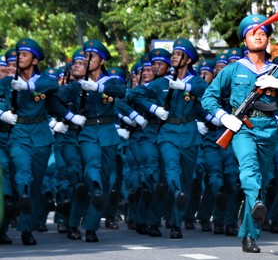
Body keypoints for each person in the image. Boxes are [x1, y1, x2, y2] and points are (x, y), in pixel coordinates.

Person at [202, 14, 278, 253]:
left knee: (261, 181)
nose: (259, 36)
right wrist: (224, 117)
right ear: (245, 40)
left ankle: (250, 234)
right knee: (249, 171)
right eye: (253, 33)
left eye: (263, 33)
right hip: (242, 128)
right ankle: (256, 207)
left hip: (268, 129)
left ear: (268, 40)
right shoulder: (233, 70)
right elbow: (208, 98)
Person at [129, 38, 207, 239]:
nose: (173, 56)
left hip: (189, 131)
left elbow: (205, 92)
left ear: (188, 60)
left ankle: (175, 223)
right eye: (173, 53)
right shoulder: (162, 82)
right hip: (168, 132)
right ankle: (156, 217)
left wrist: (184, 88)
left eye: (179, 54)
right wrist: (154, 108)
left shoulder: (195, 81)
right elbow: (135, 95)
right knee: (171, 172)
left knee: (186, 181)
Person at [53, 39, 127, 242]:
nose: (86, 60)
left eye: (91, 57)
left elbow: (121, 92)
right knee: (91, 173)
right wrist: (69, 116)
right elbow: (53, 97)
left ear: (101, 61)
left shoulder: (110, 81)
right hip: (87, 132)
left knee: (102, 184)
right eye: (85, 56)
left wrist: (96, 88)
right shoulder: (76, 86)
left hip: (108, 133)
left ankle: (91, 227)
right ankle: (73, 222)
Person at [0, 38, 64, 245]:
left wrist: (27, 86)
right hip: (19, 133)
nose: (20, 58)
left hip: (41, 136)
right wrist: (2, 113)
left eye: (24, 55)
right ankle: (18, 216)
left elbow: (52, 85)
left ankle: (27, 228)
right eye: (19, 55)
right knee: (23, 177)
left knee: (34, 184)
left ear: (35, 60)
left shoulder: (45, 80)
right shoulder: (6, 83)